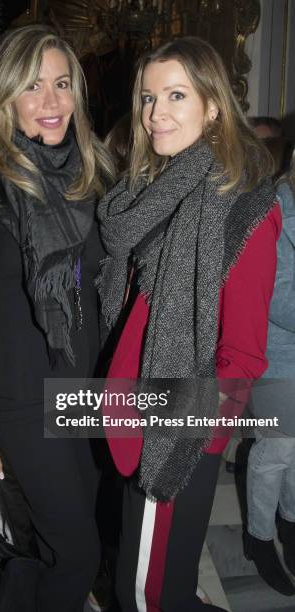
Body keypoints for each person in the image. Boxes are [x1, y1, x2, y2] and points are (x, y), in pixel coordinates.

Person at [97, 37, 280, 611]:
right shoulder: (153, 190)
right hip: (128, 409)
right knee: (150, 576)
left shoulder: (244, 203)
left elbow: (244, 356)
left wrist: (187, 436)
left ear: (215, 106)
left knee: (145, 594)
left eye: (176, 95)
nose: (156, 113)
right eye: (148, 98)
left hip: (174, 430)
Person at [0, 25, 114, 611]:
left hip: (86, 391)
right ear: (5, 95)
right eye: (34, 86)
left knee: (63, 541)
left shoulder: (91, 179)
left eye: (62, 84)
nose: (52, 102)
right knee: (80, 554)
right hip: (17, 398)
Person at [245, 147, 295, 596]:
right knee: (276, 453)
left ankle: (291, 522)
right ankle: (258, 538)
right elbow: (278, 297)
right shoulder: (274, 206)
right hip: (278, 353)